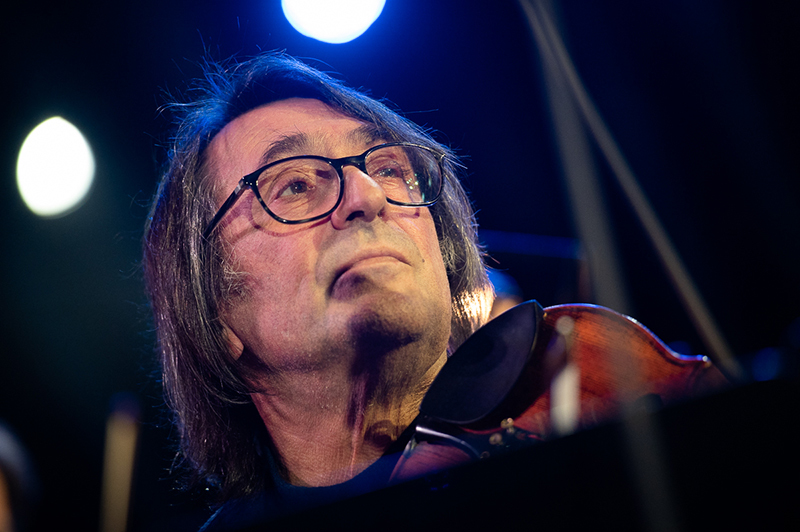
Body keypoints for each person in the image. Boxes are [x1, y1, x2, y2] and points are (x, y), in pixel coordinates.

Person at [143, 51, 494, 529]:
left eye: (389, 169)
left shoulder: (570, 410)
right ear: (214, 312)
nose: (367, 195)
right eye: (295, 185)